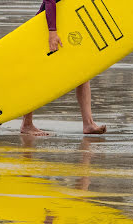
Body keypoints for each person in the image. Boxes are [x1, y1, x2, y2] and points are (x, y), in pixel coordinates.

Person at [20, 0, 107, 136]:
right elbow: (49, 1)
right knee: (36, 75)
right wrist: (52, 32)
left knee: (83, 73)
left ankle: (89, 124)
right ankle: (27, 123)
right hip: (45, 29)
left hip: (68, 28)